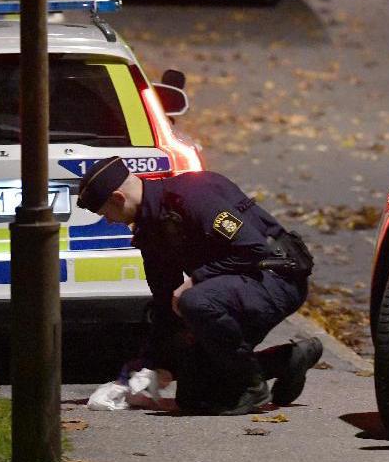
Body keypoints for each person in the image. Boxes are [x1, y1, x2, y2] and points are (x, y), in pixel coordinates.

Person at [76, 156, 323, 416]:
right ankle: (286, 361)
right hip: (237, 288)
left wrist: (196, 279)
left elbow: (254, 249)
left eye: (106, 213)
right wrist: (149, 365)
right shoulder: (150, 228)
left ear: (118, 197)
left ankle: (250, 385)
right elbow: (163, 302)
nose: (110, 221)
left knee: (194, 300)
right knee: (194, 396)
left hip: (277, 278)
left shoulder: (192, 196)